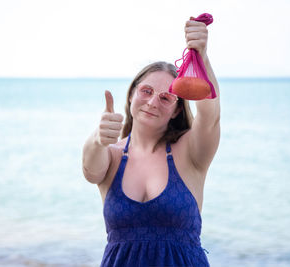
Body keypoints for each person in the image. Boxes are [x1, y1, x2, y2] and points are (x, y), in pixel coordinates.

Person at [82, 16, 220, 267]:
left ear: (177, 110)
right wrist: (97, 138)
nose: (153, 101)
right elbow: (90, 171)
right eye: (146, 91)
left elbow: (210, 115)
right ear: (133, 92)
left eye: (166, 98)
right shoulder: (111, 155)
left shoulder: (189, 153)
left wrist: (201, 58)